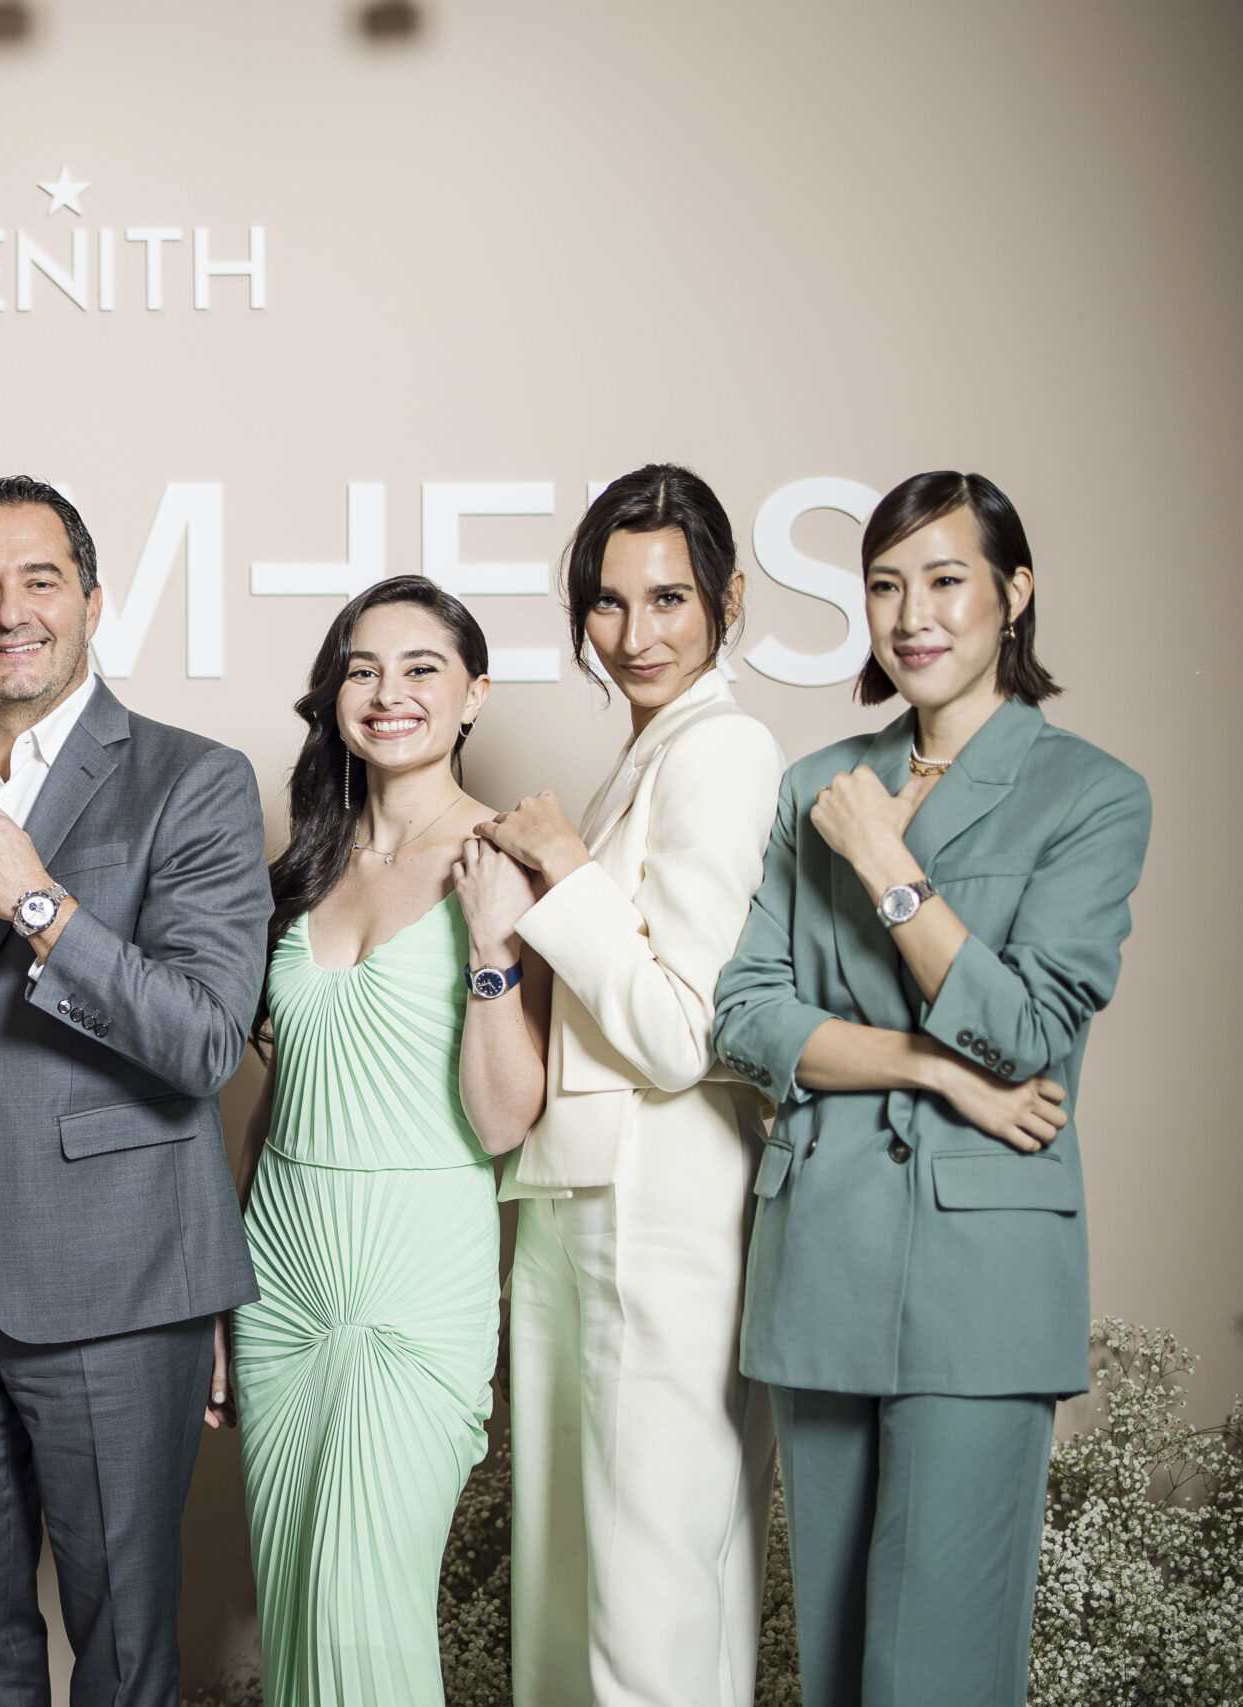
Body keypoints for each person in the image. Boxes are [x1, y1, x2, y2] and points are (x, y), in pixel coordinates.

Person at [712, 471, 1149, 1707]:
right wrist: (922, 1066)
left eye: (945, 580)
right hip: (820, 1256)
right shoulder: (815, 781)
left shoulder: (1090, 794)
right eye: (885, 585)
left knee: (937, 1672)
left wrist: (885, 864)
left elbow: (1028, 1035)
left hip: (981, 1281)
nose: (912, 615)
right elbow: (746, 1013)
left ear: (1014, 593)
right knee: (839, 1669)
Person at [0, 476, 268, 1707]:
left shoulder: (191, 779)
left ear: (91, 601)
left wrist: (39, 906)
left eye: (39, 580)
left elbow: (203, 1040)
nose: (8, 610)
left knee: (123, 1649)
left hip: (111, 1278)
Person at [471, 466, 784, 1707]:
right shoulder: (648, 754)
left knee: (645, 1609)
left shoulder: (722, 748)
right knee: (583, 1599)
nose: (634, 634)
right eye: (607, 603)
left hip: (660, 1221)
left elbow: (679, 1032)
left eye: (668, 599)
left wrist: (562, 869)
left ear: (727, 600)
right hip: (589, 1209)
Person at [215, 575, 546, 1706]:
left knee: (363, 1613)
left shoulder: (505, 862)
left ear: (474, 695)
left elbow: (503, 1120)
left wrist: (493, 946)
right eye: (363, 669)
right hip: (280, 1278)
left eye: (421, 669)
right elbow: (276, 1104)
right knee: (296, 1613)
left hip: (416, 1271)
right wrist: (224, 1292)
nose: (388, 692)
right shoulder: (304, 867)